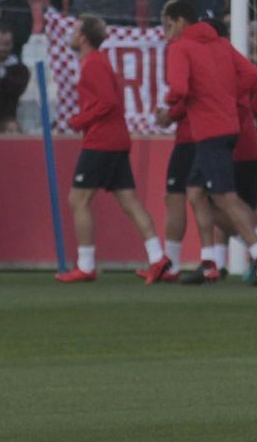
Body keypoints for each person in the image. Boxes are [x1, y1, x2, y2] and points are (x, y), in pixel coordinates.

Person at [153, 0, 257, 284]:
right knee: (196, 192)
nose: (166, 33)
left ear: (179, 21)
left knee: (225, 196)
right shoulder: (220, 44)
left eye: (167, 25)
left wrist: (168, 108)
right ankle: (210, 260)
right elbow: (251, 75)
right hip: (228, 127)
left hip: (209, 131)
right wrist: (227, 98)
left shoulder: (181, 47)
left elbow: (180, 88)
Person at [54, 15, 172, 284]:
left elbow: (107, 102)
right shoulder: (100, 61)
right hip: (115, 139)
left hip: (102, 141)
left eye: (74, 30)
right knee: (129, 201)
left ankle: (85, 265)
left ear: (83, 37)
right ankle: (157, 257)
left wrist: (78, 121)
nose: (70, 35)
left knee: (78, 199)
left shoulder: (93, 63)